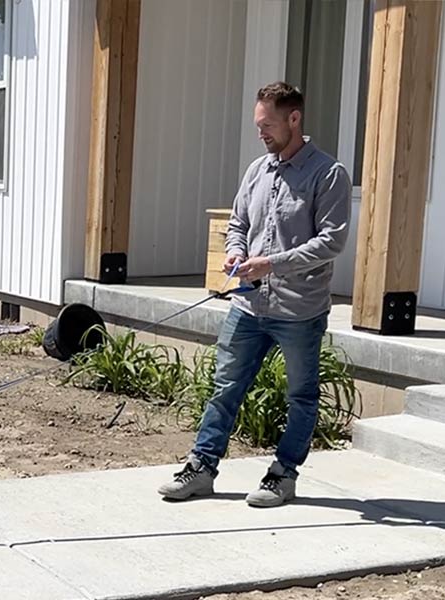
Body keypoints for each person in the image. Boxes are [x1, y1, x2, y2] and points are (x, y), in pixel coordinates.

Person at [158, 81, 351, 507]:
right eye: (257, 124)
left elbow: (331, 242)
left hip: (299, 311)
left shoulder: (329, 174)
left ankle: (282, 475)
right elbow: (238, 223)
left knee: (300, 396)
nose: (260, 133)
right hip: (248, 305)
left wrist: (272, 263)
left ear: (294, 119)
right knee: (225, 387)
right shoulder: (257, 170)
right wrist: (235, 251)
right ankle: (202, 468)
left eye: (267, 125)